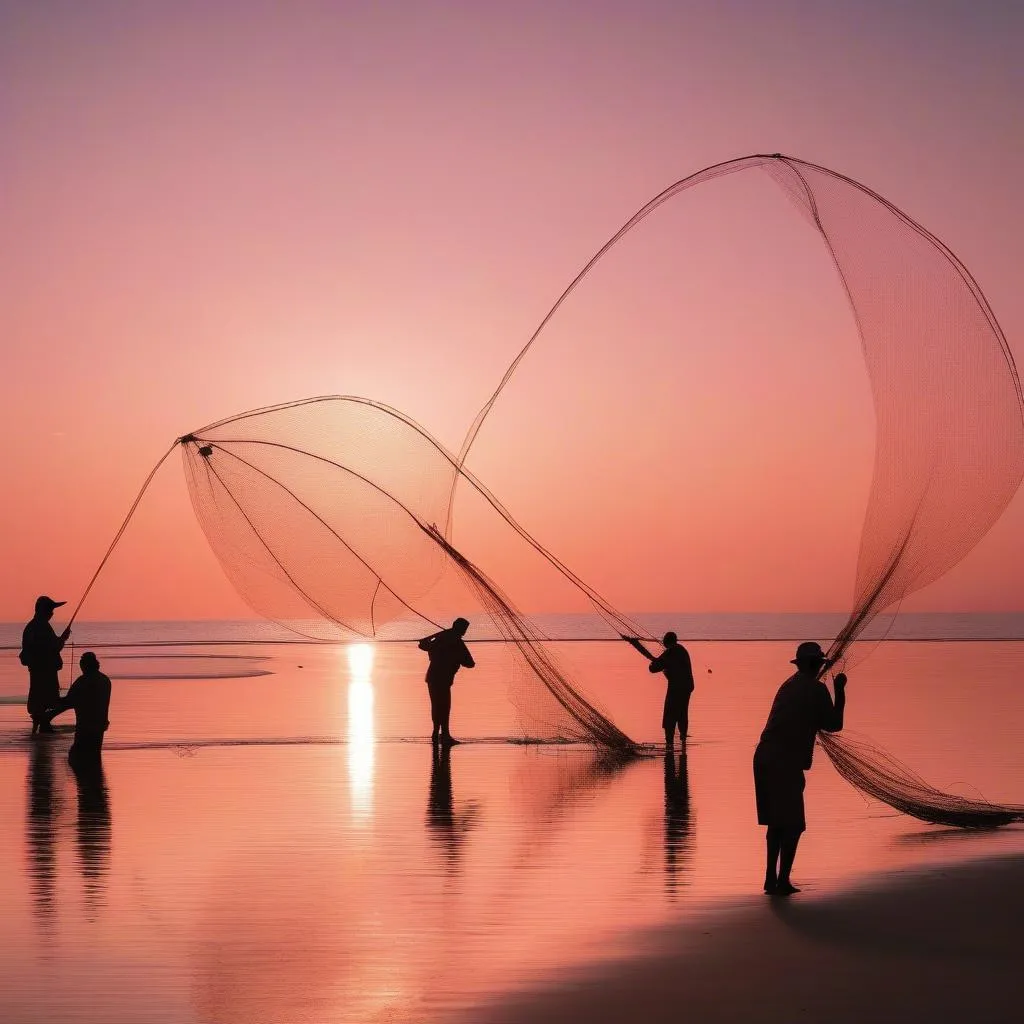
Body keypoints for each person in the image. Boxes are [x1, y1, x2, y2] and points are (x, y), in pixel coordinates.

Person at [753, 641, 846, 896]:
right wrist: (840, 691)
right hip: (783, 759)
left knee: (776, 823)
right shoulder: (816, 689)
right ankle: (781, 881)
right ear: (815, 665)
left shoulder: (788, 684)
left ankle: (770, 879)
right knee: (793, 824)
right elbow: (834, 724)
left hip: (763, 756)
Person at [624, 632, 695, 748]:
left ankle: (670, 743)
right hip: (687, 686)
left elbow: (653, 668)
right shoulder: (681, 649)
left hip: (677, 687)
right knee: (682, 713)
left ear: (667, 642)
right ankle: (683, 741)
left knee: (669, 716)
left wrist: (653, 660)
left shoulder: (671, 651)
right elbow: (662, 663)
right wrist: (656, 660)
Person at [44, 651, 111, 765]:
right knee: (94, 758)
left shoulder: (82, 682)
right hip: (100, 726)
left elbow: (68, 701)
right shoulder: (105, 680)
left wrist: (51, 699)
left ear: (84, 665)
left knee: (76, 758)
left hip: (84, 727)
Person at [418, 617, 475, 746]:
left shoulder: (441, 638)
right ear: (459, 628)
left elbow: (423, 645)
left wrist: (429, 640)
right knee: (444, 707)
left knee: (437, 706)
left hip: (433, 678)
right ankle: (444, 736)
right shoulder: (455, 642)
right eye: (463, 629)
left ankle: (436, 734)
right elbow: (470, 663)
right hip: (441, 680)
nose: (464, 632)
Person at [20, 596, 71, 734]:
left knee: (39, 703)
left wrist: (61, 639)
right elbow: (54, 647)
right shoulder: (41, 626)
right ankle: (43, 726)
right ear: (43, 610)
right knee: (50, 702)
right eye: (50, 610)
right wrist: (63, 639)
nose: (52, 613)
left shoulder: (32, 627)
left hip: (37, 671)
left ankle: (39, 729)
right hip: (45, 672)